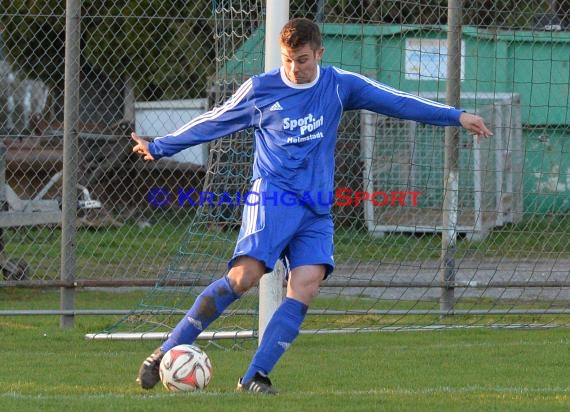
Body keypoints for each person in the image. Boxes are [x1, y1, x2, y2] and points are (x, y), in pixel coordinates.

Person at [131, 17, 492, 394]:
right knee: (244, 278)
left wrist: (457, 116)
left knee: (306, 285)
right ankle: (166, 351)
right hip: (272, 198)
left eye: (302, 59)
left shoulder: (339, 86)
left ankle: (255, 376)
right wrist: (160, 146)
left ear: (318, 53)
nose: (294, 68)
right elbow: (214, 121)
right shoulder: (261, 89)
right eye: (288, 59)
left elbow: (396, 100)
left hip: (316, 207)